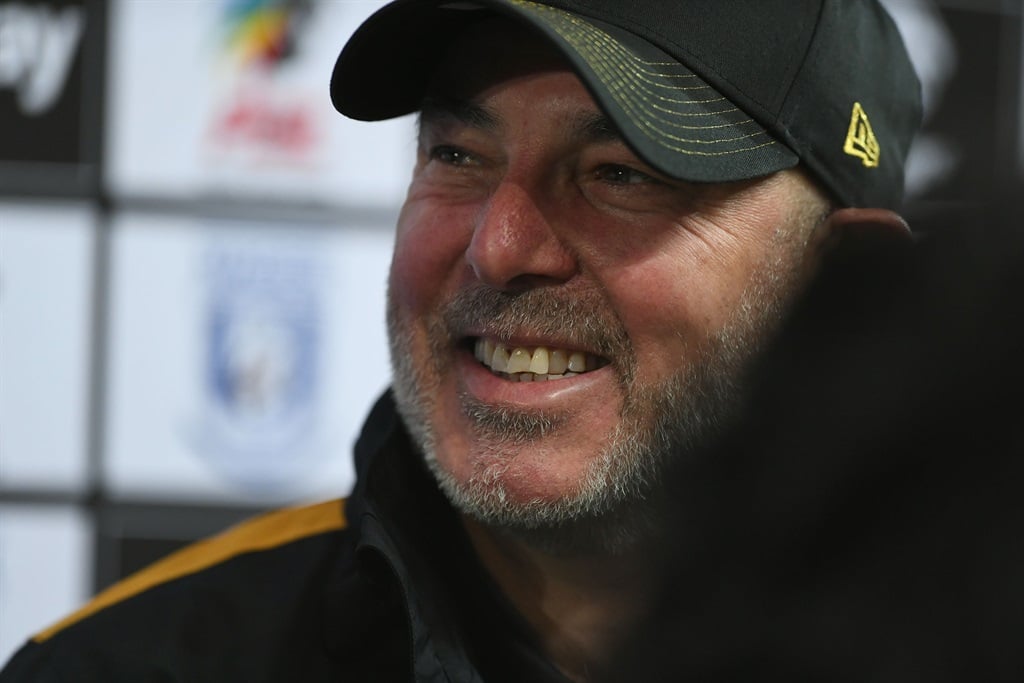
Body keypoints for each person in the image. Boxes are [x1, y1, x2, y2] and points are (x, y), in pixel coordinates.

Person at [0, 1, 921, 681]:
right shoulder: (118, 667)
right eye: (456, 156)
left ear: (844, 284)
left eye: (619, 173)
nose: (497, 247)